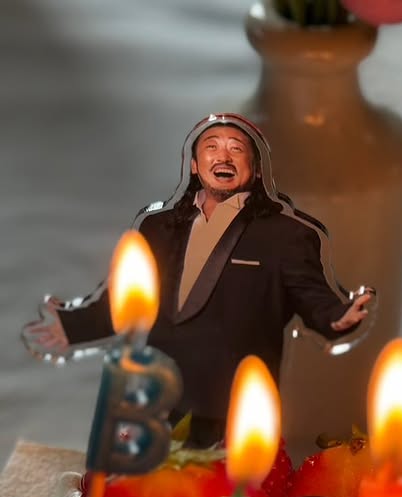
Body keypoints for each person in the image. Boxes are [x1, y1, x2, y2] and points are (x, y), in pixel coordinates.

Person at [23, 113, 374, 447]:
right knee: (150, 485)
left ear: (255, 169)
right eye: (212, 146)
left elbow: (311, 296)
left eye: (236, 148)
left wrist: (338, 316)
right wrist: (71, 326)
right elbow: (126, 300)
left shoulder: (286, 235)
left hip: (233, 404)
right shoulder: (158, 228)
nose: (224, 156)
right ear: (194, 164)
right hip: (158, 395)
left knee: (221, 489)